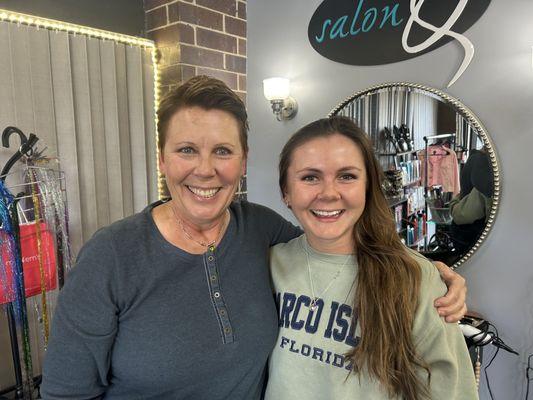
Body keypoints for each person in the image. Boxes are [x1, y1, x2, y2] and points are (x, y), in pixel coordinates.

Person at [41, 76, 467, 399]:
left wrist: (430, 273)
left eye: (223, 151)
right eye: (187, 149)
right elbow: (66, 392)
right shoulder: (111, 257)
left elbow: (336, 241)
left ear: (243, 161)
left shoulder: (262, 232)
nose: (205, 170)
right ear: (163, 159)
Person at [265, 117, 478, 399]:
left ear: (368, 187)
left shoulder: (415, 278)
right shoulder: (268, 263)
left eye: (347, 176)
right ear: (286, 193)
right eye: (310, 177)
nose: (329, 193)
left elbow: (452, 390)